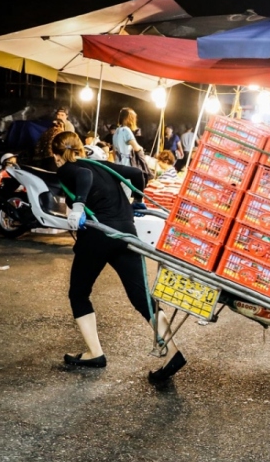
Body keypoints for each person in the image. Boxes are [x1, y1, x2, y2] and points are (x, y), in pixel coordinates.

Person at [52, 131, 186, 383]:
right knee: (140, 297)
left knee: (79, 293)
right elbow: (137, 174)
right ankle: (172, 351)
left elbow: (83, 176)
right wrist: (136, 199)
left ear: (56, 155)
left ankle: (95, 353)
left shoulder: (69, 168)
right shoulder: (98, 163)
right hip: (126, 231)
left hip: (99, 234)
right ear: (81, 147)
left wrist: (79, 205)